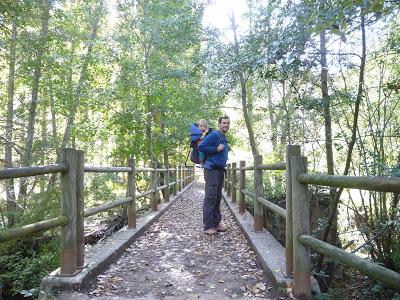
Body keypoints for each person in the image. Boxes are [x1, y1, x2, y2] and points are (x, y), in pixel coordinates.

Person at [198, 115, 230, 235]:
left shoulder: (222, 136)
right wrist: (216, 149)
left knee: (217, 197)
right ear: (219, 124)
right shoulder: (215, 134)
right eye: (224, 123)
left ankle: (216, 223)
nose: (226, 125)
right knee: (211, 197)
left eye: (228, 123)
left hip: (219, 170)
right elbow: (201, 146)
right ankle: (208, 226)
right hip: (211, 170)